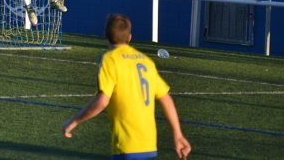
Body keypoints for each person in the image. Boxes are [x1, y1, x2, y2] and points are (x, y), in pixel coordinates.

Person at [62, 14, 191, 159]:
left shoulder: (110, 59)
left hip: (126, 146)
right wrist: (178, 135)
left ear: (105, 36)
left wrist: (74, 121)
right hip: (148, 145)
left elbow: (102, 101)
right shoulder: (146, 61)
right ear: (129, 37)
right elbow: (166, 98)